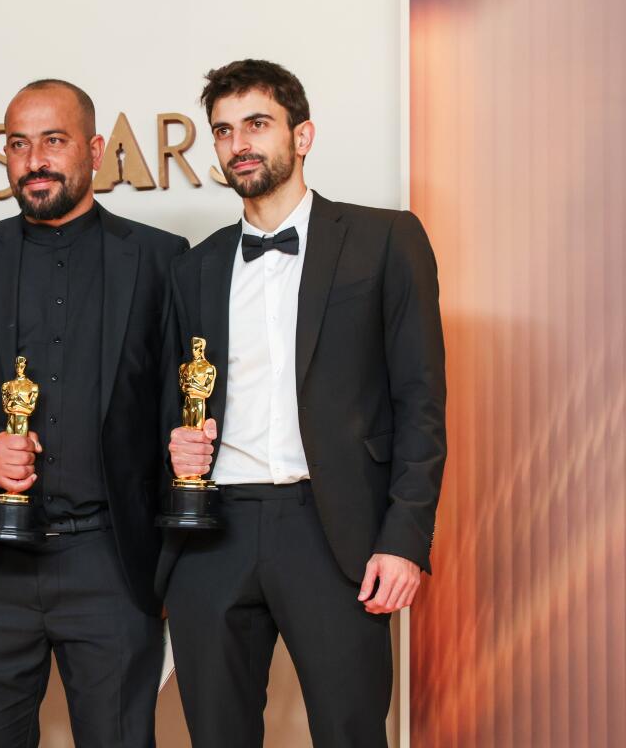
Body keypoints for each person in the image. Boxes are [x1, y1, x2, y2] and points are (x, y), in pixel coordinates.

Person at [158, 59, 446, 747]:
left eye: (257, 124)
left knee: (350, 733)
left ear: (303, 134)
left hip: (332, 530)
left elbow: (421, 401)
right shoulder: (195, 265)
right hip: (214, 532)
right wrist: (179, 446)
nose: (239, 144)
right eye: (223, 131)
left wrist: (403, 541)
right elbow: (176, 398)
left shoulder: (384, 240)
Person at [0, 79, 188, 747]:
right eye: (18, 144)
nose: (34, 160)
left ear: (92, 148)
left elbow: (180, 407)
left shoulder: (158, 258)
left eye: (53, 141)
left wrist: (178, 562)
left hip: (112, 565)